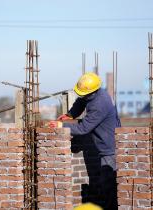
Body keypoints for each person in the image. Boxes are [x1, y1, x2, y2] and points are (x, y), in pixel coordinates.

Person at [49, 72, 120, 210]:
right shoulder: (94, 94)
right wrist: (71, 114)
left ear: (92, 91)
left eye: (84, 93)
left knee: (108, 186)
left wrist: (61, 125)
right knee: (105, 185)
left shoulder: (100, 104)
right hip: (104, 146)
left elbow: (84, 128)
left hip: (109, 149)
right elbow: (81, 101)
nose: (82, 95)